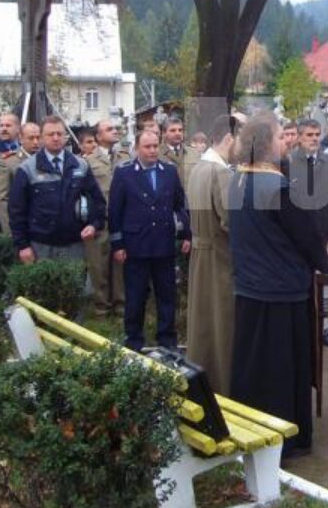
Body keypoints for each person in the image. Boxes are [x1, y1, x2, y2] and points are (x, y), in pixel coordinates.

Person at [228, 112, 328, 458]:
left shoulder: (236, 179)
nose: (283, 141)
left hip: (248, 287)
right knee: (281, 372)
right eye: (277, 136)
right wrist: (325, 263)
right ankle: (285, 440)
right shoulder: (277, 187)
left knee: (252, 370)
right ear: (264, 144)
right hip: (282, 292)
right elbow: (308, 239)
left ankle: (249, 430)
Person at [110, 129, 192, 351]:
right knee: (135, 298)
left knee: (167, 296)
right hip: (136, 246)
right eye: (147, 146)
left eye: (156, 146)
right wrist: (117, 244)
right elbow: (115, 211)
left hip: (163, 245)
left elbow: (179, 205)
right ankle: (134, 341)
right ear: (137, 148)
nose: (153, 150)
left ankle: (167, 340)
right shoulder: (124, 173)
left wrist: (186, 234)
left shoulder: (169, 172)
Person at [8, 115, 105, 265]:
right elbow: (16, 211)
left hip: (74, 246)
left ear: (66, 136)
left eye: (59, 134)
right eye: (50, 134)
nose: (55, 138)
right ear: (41, 138)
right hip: (40, 247)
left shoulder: (81, 166)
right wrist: (23, 245)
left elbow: (97, 201)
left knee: (74, 288)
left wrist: (94, 225)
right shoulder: (27, 169)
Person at [186, 115, 237, 395]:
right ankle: (222, 389)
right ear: (229, 139)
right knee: (221, 327)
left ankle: (201, 385)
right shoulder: (221, 173)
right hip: (219, 258)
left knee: (202, 326)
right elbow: (231, 221)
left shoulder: (199, 168)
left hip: (200, 254)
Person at [84, 120, 131, 316]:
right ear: (98, 136)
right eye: (109, 129)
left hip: (122, 219)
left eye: (115, 128)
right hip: (100, 220)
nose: (115, 131)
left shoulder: (125, 157)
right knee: (98, 266)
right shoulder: (88, 161)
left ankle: (121, 305)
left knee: (120, 265)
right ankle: (101, 308)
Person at [286, 119, 328, 244]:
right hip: (297, 236)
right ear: (299, 138)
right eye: (309, 135)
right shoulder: (287, 163)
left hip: (326, 234)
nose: (314, 138)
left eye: (317, 135)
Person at [0, 122, 41, 238]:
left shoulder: (47, 159)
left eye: (38, 138)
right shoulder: (8, 162)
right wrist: (12, 230)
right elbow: (1, 198)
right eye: (31, 138)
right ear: (21, 138)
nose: (35, 142)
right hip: (21, 225)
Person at [159, 115, 199, 188]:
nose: (178, 133)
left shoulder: (194, 153)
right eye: (173, 130)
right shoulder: (156, 154)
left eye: (180, 130)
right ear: (164, 133)